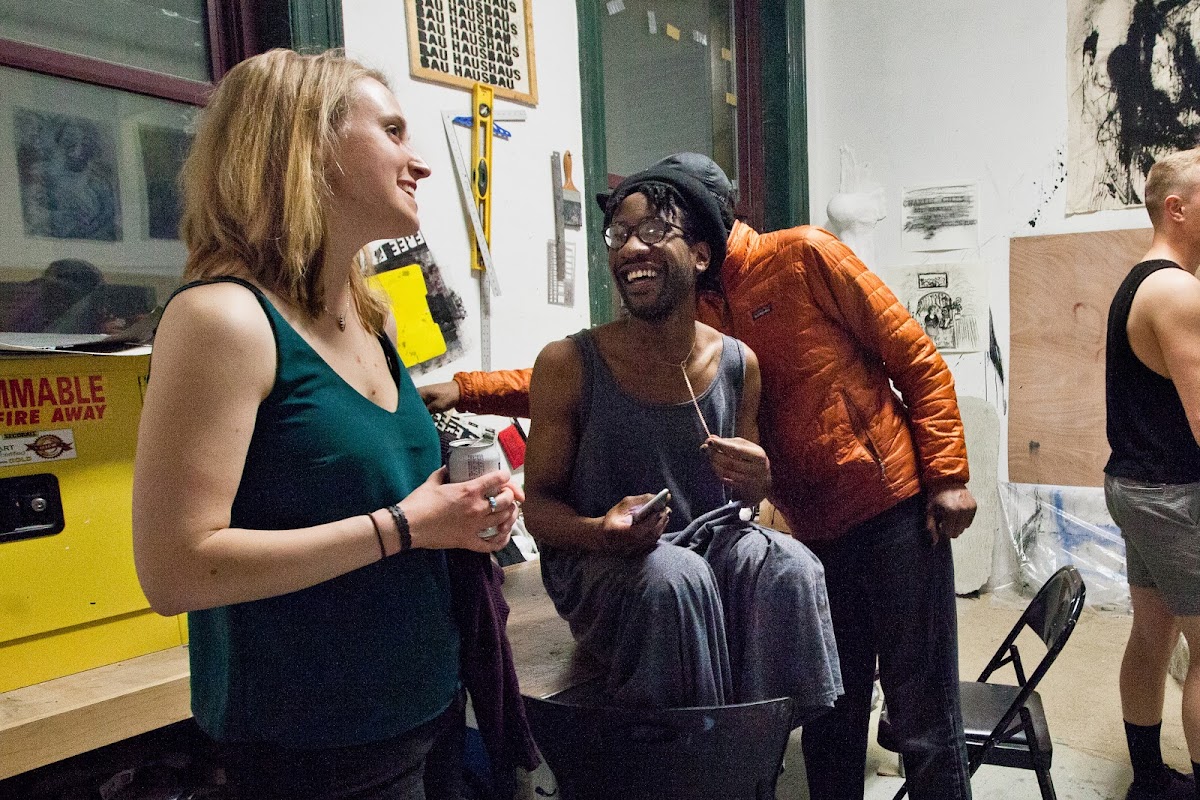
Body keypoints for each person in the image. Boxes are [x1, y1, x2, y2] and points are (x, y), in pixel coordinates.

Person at [424, 152, 977, 800]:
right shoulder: (690, 308)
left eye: (659, 224)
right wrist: (467, 387)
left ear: (701, 234)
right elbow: (591, 371)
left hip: (891, 506)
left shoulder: (803, 256)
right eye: (627, 230)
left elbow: (915, 357)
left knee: (923, 716)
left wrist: (947, 474)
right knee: (840, 710)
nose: (638, 244)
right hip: (815, 522)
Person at [131, 49, 529, 800]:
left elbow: (390, 495)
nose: (421, 163)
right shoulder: (222, 318)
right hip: (313, 745)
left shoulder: (369, 315)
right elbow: (175, 568)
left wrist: (468, 514)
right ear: (305, 145)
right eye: (392, 131)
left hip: (429, 706)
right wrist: (406, 527)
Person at [521, 164, 842, 718]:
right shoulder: (567, 363)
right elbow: (538, 511)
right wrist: (600, 531)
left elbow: (745, 507)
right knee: (675, 579)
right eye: (619, 235)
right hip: (599, 562)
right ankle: (690, 757)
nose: (630, 249)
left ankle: (759, 747)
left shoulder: (739, 364)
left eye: (651, 232)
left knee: (793, 569)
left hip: (705, 550)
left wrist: (759, 483)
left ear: (699, 255)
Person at [1103, 147, 1200, 800]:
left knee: (1152, 633)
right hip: (1171, 496)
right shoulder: (1175, 289)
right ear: (1178, 208)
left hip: (1137, 487)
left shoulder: (1143, 278)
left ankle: (1147, 780)